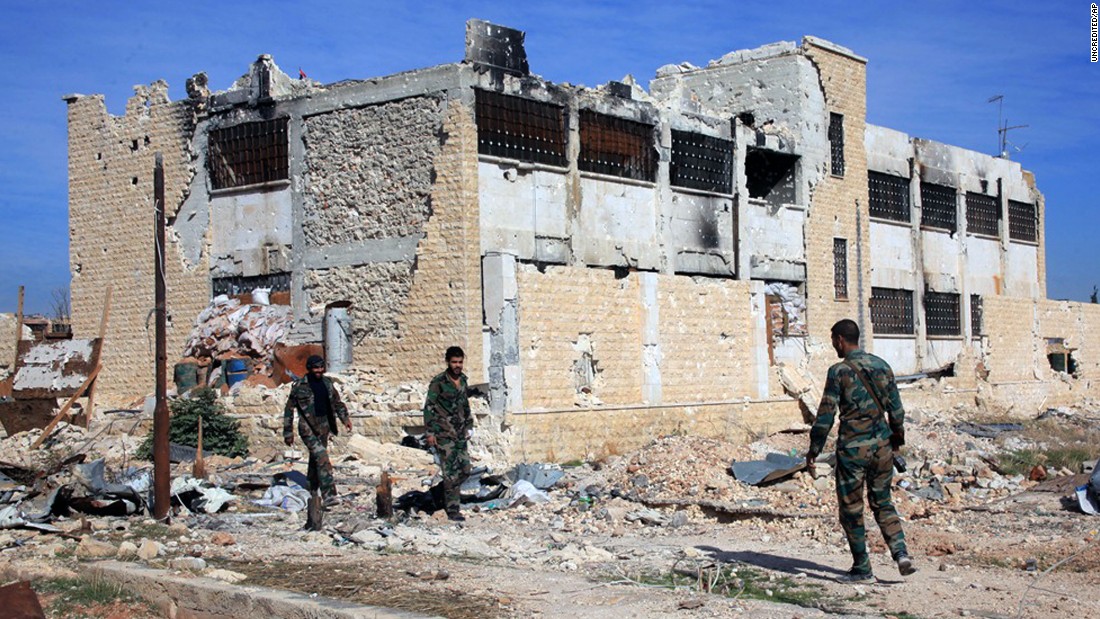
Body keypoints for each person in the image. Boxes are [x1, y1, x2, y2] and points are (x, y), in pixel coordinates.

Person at [806, 319, 917, 582]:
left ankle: (862, 568)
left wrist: (813, 449)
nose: (834, 345)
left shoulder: (838, 371)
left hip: (852, 451)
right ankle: (900, 552)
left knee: (851, 508)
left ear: (841, 340)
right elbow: (897, 411)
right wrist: (896, 441)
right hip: (882, 448)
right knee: (883, 501)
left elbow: (825, 415)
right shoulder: (883, 366)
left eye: (834, 340)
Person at [283, 355, 352, 507]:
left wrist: (345, 419)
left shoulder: (327, 384)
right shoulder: (299, 386)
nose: (319, 371)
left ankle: (312, 487)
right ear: (309, 368)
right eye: (316, 368)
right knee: (322, 458)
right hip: (308, 427)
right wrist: (288, 433)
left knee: (316, 460)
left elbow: (337, 403)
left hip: (325, 426)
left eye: (321, 367)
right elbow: (289, 411)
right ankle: (329, 496)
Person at [422, 346, 473, 521]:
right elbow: (429, 407)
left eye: (460, 362)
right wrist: (430, 432)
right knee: (450, 472)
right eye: (454, 362)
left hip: (460, 434)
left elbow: (465, 405)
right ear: (448, 362)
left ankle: (440, 492)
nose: (457, 365)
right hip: (444, 434)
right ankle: (452, 510)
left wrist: (469, 425)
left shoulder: (464, 380)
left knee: (466, 470)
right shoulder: (439, 382)